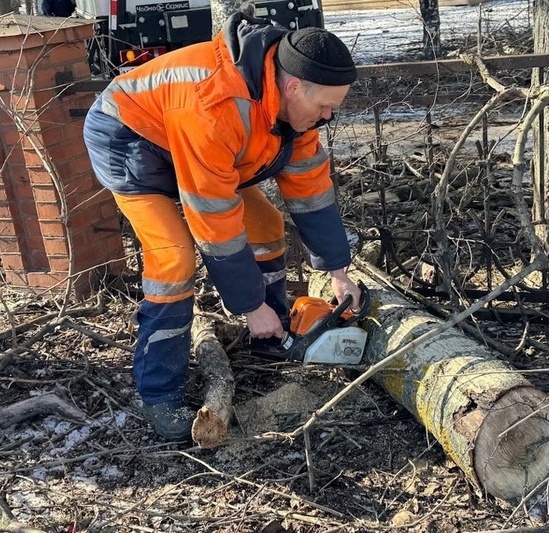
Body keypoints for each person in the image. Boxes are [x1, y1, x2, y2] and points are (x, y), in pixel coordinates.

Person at [83, 13, 362, 440]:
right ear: (292, 86)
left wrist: (338, 272)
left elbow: (311, 189)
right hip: (130, 140)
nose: (328, 116)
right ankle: (160, 391)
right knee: (173, 257)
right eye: (326, 106)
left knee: (265, 222)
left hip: (198, 145)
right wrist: (248, 305)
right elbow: (213, 218)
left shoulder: (297, 109)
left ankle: (272, 334)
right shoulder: (216, 104)